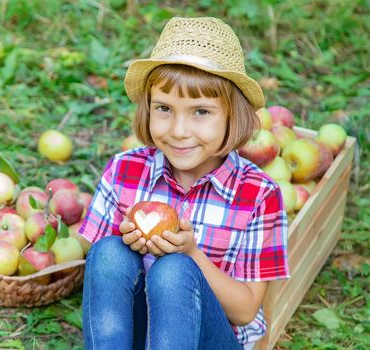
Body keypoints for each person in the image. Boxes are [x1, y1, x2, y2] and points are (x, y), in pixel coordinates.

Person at [78, 17, 290, 350]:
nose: (178, 130)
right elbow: (100, 274)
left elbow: (246, 310)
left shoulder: (258, 195)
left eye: (200, 112)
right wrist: (127, 241)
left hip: (210, 338)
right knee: (108, 250)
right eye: (164, 108)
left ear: (233, 116)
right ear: (148, 109)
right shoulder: (125, 170)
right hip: (136, 330)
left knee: (175, 270)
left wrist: (191, 252)